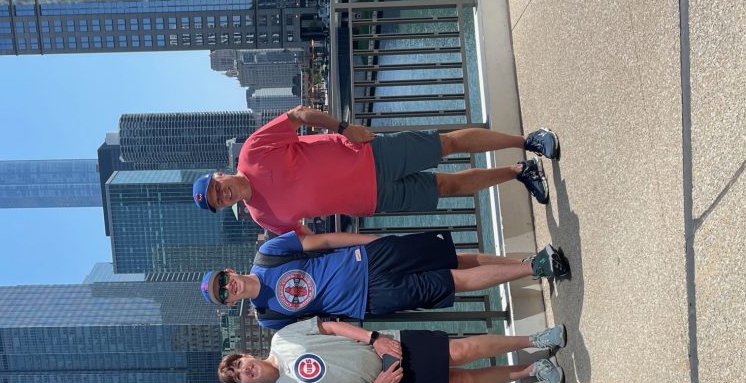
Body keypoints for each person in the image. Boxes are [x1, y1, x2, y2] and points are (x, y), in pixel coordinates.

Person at [190, 106, 561, 234]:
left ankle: (527, 140)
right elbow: (309, 240)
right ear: (224, 207)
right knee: (447, 188)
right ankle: (519, 171)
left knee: (446, 144)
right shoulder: (262, 217)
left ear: (219, 174)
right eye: (217, 202)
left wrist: (342, 128)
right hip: (372, 199)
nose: (221, 195)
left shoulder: (253, 150)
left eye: (215, 188)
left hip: (369, 155)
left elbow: (299, 115)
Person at [199, 229, 570, 330]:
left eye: (223, 280)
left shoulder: (269, 254)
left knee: (451, 258)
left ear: (229, 271)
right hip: (370, 300)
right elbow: (319, 329)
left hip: (368, 258)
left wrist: (373, 241)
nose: (227, 287)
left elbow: (325, 241)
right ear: (230, 303)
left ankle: (525, 262)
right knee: (450, 281)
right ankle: (532, 268)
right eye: (223, 294)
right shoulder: (268, 317)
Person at [217, 318, 568, 383]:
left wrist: (375, 339)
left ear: (247, 355)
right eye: (238, 378)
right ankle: (531, 371)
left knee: (462, 350)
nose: (243, 371)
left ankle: (534, 340)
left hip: (389, 348)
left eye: (239, 364)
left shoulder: (282, 338)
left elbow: (330, 326)